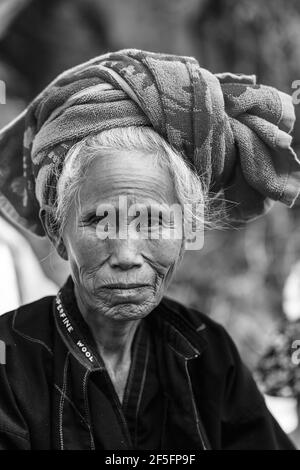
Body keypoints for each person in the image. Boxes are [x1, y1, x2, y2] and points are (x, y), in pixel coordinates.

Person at [0, 49, 299, 450]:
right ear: (57, 230)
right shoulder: (10, 360)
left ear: (188, 230)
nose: (126, 254)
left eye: (155, 222)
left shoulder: (207, 351)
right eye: (98, 221)